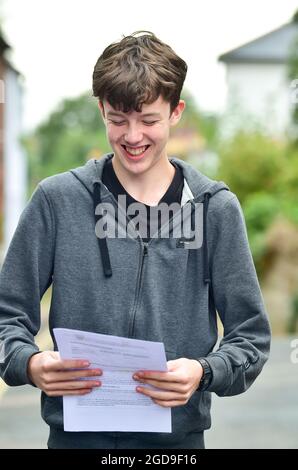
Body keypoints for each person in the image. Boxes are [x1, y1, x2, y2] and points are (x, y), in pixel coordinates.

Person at [0, 31, 271, 449]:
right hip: (74, 439)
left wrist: (205, 371)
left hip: (177, 446)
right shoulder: (57, 201)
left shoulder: (215, 209)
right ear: (101, 109)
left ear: (175, 112)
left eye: (148, 120)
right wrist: (29, 362)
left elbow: (250, 336)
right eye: (117, 119)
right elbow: (6, 314)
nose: (132, 136)